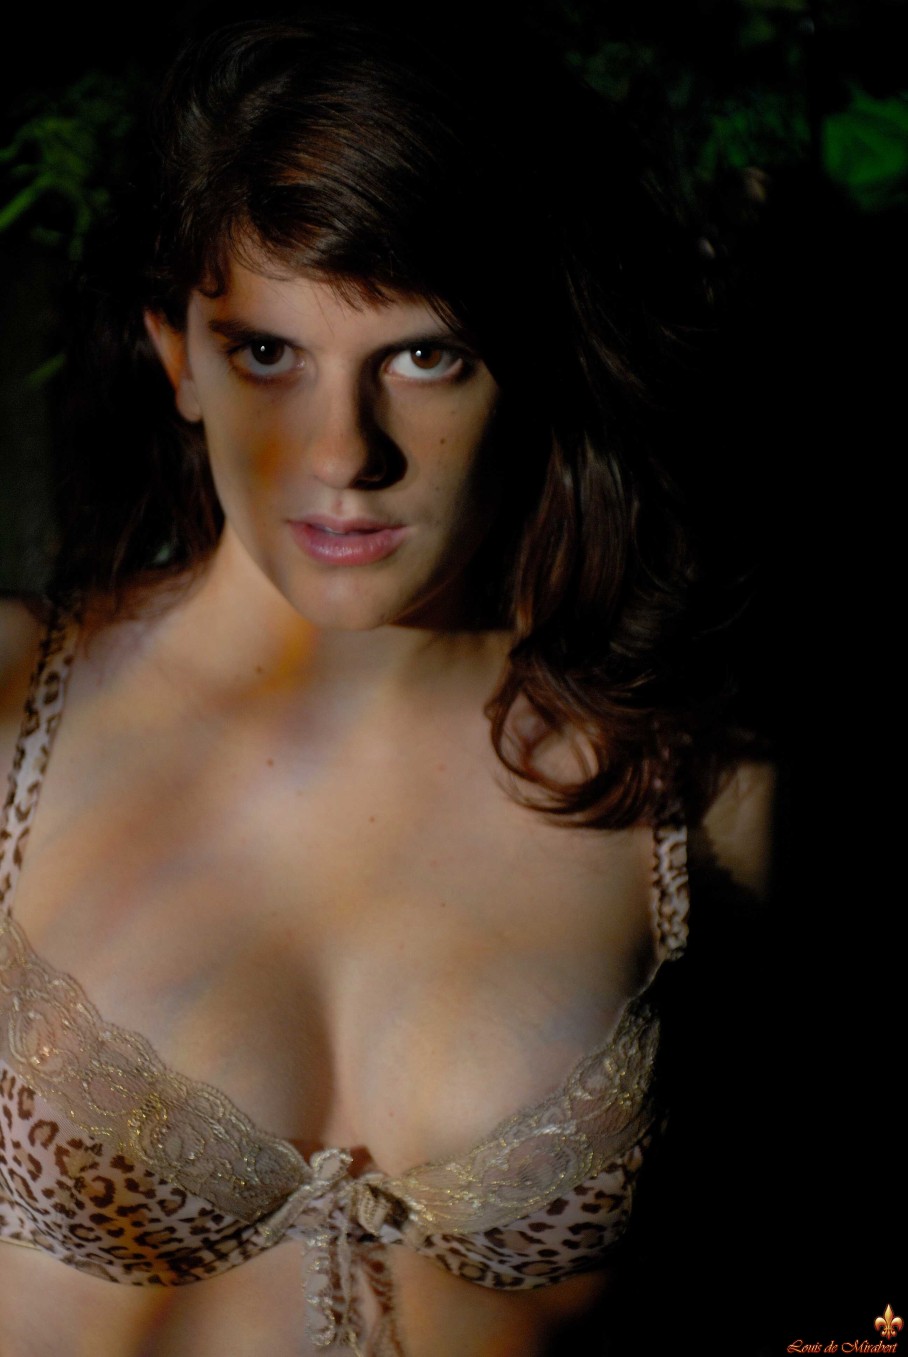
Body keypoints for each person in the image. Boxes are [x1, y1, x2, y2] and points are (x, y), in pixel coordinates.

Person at [0, 7, 772, 1354]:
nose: (341, 453)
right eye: (268, 353)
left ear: (527, 357)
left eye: (424, 354)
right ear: (178, 355)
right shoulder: (14, 708)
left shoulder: (693, 781)